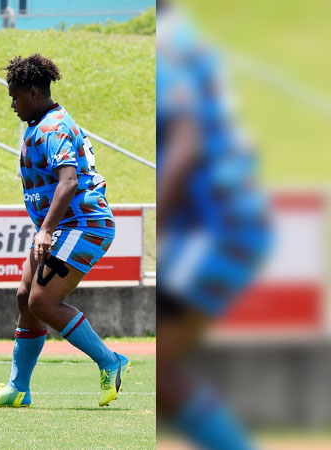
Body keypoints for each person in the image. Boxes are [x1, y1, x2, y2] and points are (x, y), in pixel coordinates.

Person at [0, 54, 128, 408]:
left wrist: (45, 230)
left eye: (15, 97)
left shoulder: (51, 128)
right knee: (25, 297)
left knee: (42, 301)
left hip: (82, 224)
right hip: (64, 226)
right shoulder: (41, 123)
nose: (12, 105)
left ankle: (111, 361)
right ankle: (18, 389)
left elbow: (69, 181)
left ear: (33, 93)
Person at [156, 3, 270, 448]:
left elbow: (187, 145)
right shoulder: (183, 36)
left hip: (212, 228)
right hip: (225, 221)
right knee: (164, 375)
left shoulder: (166, 44)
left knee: (162, 372)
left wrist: (158, 225)